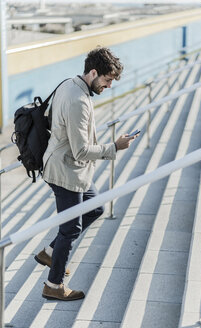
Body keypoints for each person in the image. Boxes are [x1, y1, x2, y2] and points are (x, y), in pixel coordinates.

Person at [34, 47, 138, 301]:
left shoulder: (70, 84)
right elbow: (80, 150)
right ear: (93, 72)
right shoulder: (79, 100)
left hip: (69, 168)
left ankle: (49, 252)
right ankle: (54, 285)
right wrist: (114, 147)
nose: (109, 86)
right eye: (107, 80)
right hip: (65, 170)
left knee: (96, 207)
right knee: (70, 229)